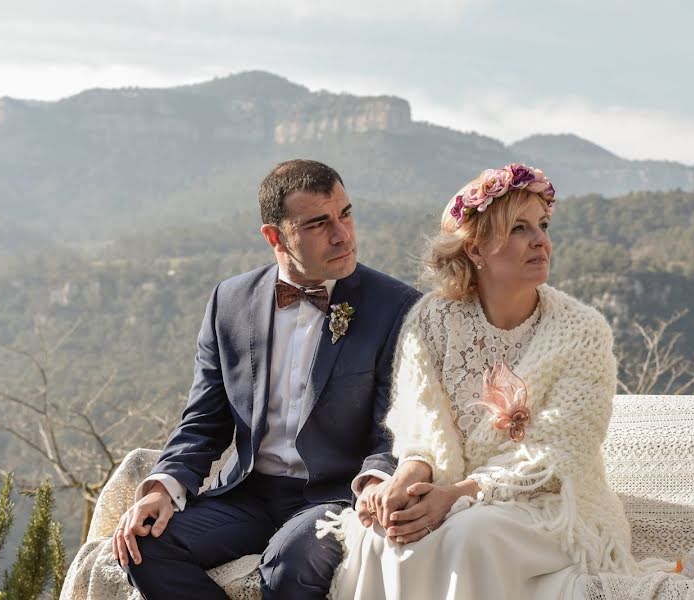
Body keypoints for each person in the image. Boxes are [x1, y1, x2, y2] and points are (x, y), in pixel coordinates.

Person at [319, 164, 646, 599]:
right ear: (475, 248)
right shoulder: (432, 321)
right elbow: (420, 425)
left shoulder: (583, 332)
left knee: (471, 534)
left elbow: (559, 454)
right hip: (449, 490)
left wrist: (458, 494)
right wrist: (408, 480)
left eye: (543, 226)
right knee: (386, 536)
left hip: (551, 506)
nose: (541, 241)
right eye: (518, 229)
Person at [111, 159, 420, 599]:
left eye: (345, 214)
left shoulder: (397, 305)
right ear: (274, 236)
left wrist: (377, 478)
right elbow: (204, 419)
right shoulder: (229, 301)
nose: (342, 235)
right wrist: (164, 485)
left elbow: (396, 425)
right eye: (319, 224)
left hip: (332, 497)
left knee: (290, 563)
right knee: (142, 544)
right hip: (247, 494)